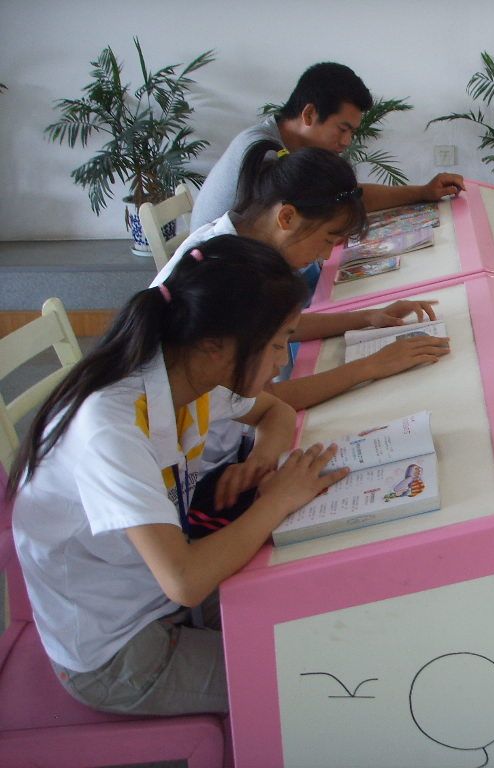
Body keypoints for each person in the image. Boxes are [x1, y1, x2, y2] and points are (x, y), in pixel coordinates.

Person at [9, 235, 351, 715]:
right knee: (320, 678)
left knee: (326, 606)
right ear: (215, 346)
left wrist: (261, 463)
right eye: (276, 344)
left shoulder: (187, 371)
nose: (281, 360)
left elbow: (273, 411)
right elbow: (184, 580)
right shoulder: (109, 429)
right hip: (118, 649)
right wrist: (278, 499)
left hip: (161, 591)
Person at [155, 143, 450, 535]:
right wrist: (370, 366)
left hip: (231, 447)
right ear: (287, 217)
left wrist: (366, 318)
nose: (326, 256)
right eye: (327, 239)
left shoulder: (243, 248)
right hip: (204, 472)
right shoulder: (224, 272)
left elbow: (280, 332)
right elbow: (273, 394)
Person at [191, 61, 464, 230]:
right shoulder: (265, 154)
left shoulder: (281, 141)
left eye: (351, 132)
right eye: (342, 129)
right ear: (309, 114)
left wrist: (423, 192)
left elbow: (344, 198)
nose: (346, 142)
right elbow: (339, 205)